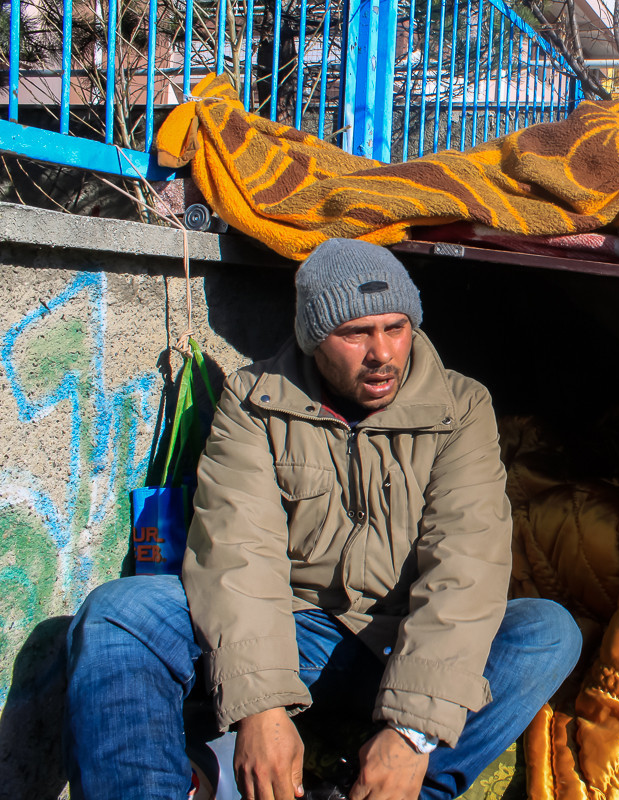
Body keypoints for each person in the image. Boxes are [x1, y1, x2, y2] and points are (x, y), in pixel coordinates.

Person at [65, 238, 582, 800]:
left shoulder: (461, 408)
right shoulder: (254, 401)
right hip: (293, 631)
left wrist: (412, 734)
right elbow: (239, 550)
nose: (382, 352)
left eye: (396, 328)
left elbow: (466, 561)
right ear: (314, 339)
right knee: (122, 614)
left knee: (547, 632)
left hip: (398, 641)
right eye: (356, 333)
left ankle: (373, 790)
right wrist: (260, 706)